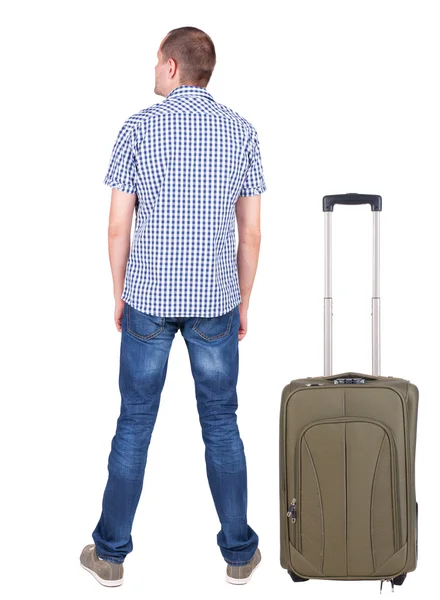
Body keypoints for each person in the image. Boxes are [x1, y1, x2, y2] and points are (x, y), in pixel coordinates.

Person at [80, 25, 267, 587]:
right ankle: (239, 555)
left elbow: (118, 225)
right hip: (215, 301)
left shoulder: (138, 128)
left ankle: (109, 556)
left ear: (170, 67)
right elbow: (252, 233)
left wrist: (119, 294)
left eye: (155, 60)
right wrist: (243, 301)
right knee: (222, 426)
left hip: (147, 301)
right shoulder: (241, 132)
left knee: (133, 425)